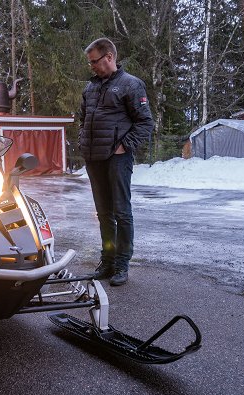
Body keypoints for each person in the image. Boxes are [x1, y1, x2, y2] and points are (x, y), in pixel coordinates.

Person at [79, 38, 154, 286]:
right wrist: (83, 142)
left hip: (117, 158)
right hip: (93, 158)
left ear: (109, 57)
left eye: (95, 61)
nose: (92, 67)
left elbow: (145, 123)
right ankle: (108, 260)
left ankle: (122, 263)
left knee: (121, 212)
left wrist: (124, 146)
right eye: (90, 62)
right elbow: (84, 119)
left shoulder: (131, 85)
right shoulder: (90, 89)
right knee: (103, 213)